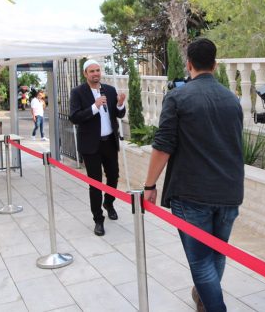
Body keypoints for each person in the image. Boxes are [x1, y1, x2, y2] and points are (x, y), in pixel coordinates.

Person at [143, 38, 244, 312]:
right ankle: (204, 298)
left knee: (200, 262)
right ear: (215, 65)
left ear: (189, 65)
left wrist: (149, 185)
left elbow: (163, 146)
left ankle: (214, 306)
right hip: (229, 191)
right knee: (217, 253)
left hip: (192, 194)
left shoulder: (177, 97)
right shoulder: (232, 99)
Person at [69, 60, 126, 236]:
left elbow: (119, 114)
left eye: (97, 70)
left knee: (114, 176)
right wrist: (95, 106)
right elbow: (74, 117)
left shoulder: (109, 90)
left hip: (109, 142)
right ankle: (98, 219)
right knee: (95, 183)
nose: (95, 73)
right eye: (92, 71)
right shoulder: (78, 92)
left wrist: (120, 104)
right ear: (85, 74)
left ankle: (108, 203)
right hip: (90, 145)